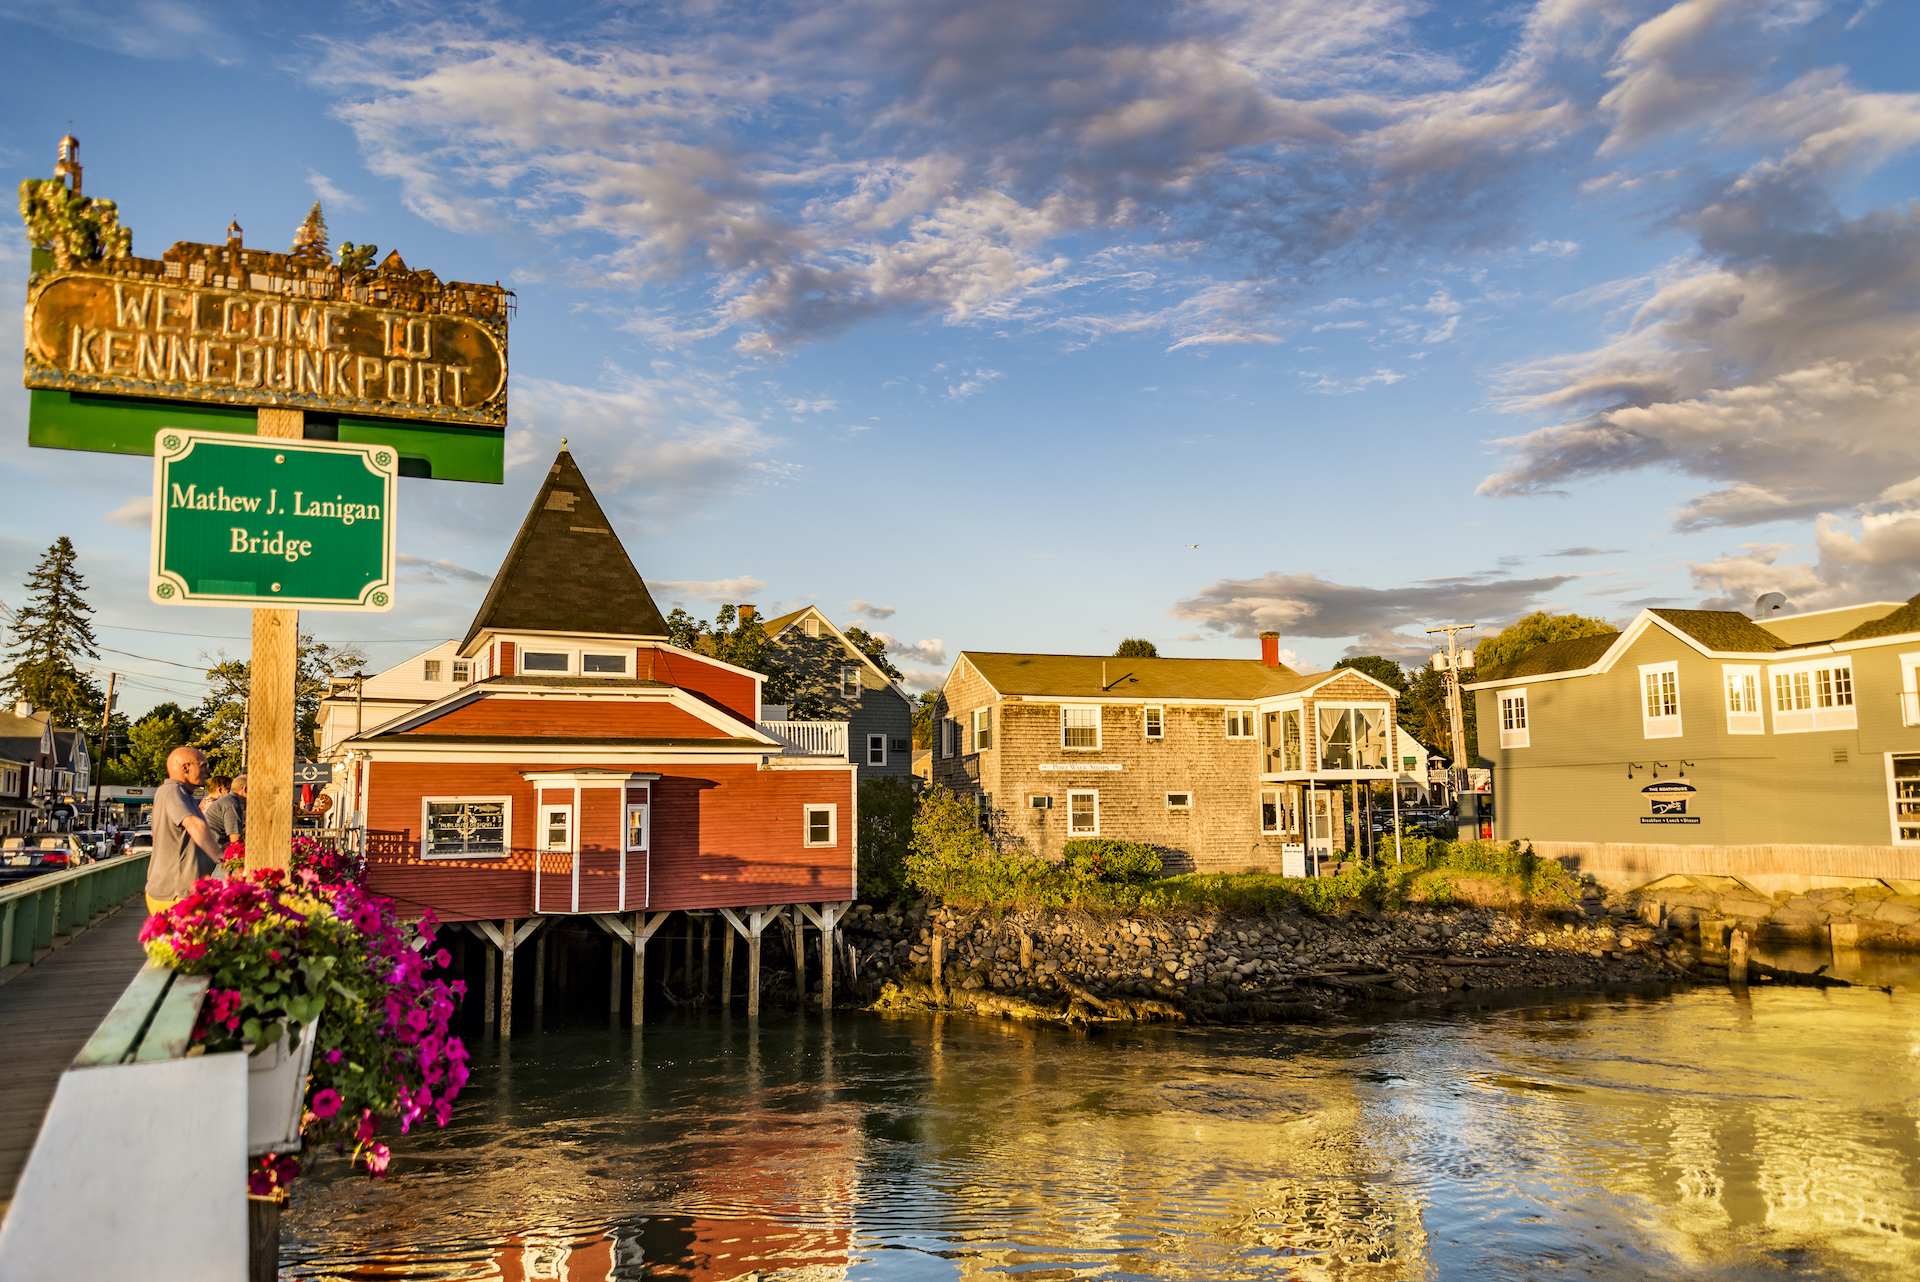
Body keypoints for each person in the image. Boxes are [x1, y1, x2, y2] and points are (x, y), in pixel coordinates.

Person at [144, 745, 224, 915]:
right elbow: (194, 824)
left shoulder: (183, 794)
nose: (208, 771)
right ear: (185, 768)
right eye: (202, 766)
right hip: (175, 893)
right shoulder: (173, 790)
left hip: (181, 892)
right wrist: (220, 857)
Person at [204, 773, 245, 855]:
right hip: (217, 852)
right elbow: (235, 840)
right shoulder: (230, 803)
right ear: (245, 789)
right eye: (229, 789)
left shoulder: (225, 801)